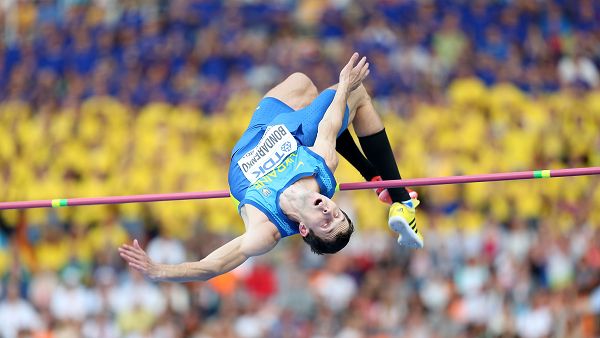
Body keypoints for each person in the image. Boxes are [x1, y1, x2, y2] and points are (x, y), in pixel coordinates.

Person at [119, 53, 422, 282]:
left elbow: (212, 267)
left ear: (304, 229)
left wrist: (159, 271)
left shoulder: (266, 230)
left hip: (254, 139)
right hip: (292, 133)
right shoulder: (324, 171)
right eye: (338, 214)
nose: (331, 212)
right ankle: (377, 178)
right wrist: (343, 85)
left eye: (327, 223)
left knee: (357, 96)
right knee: (305, 84)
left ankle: (401, 201)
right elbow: (329, 127)